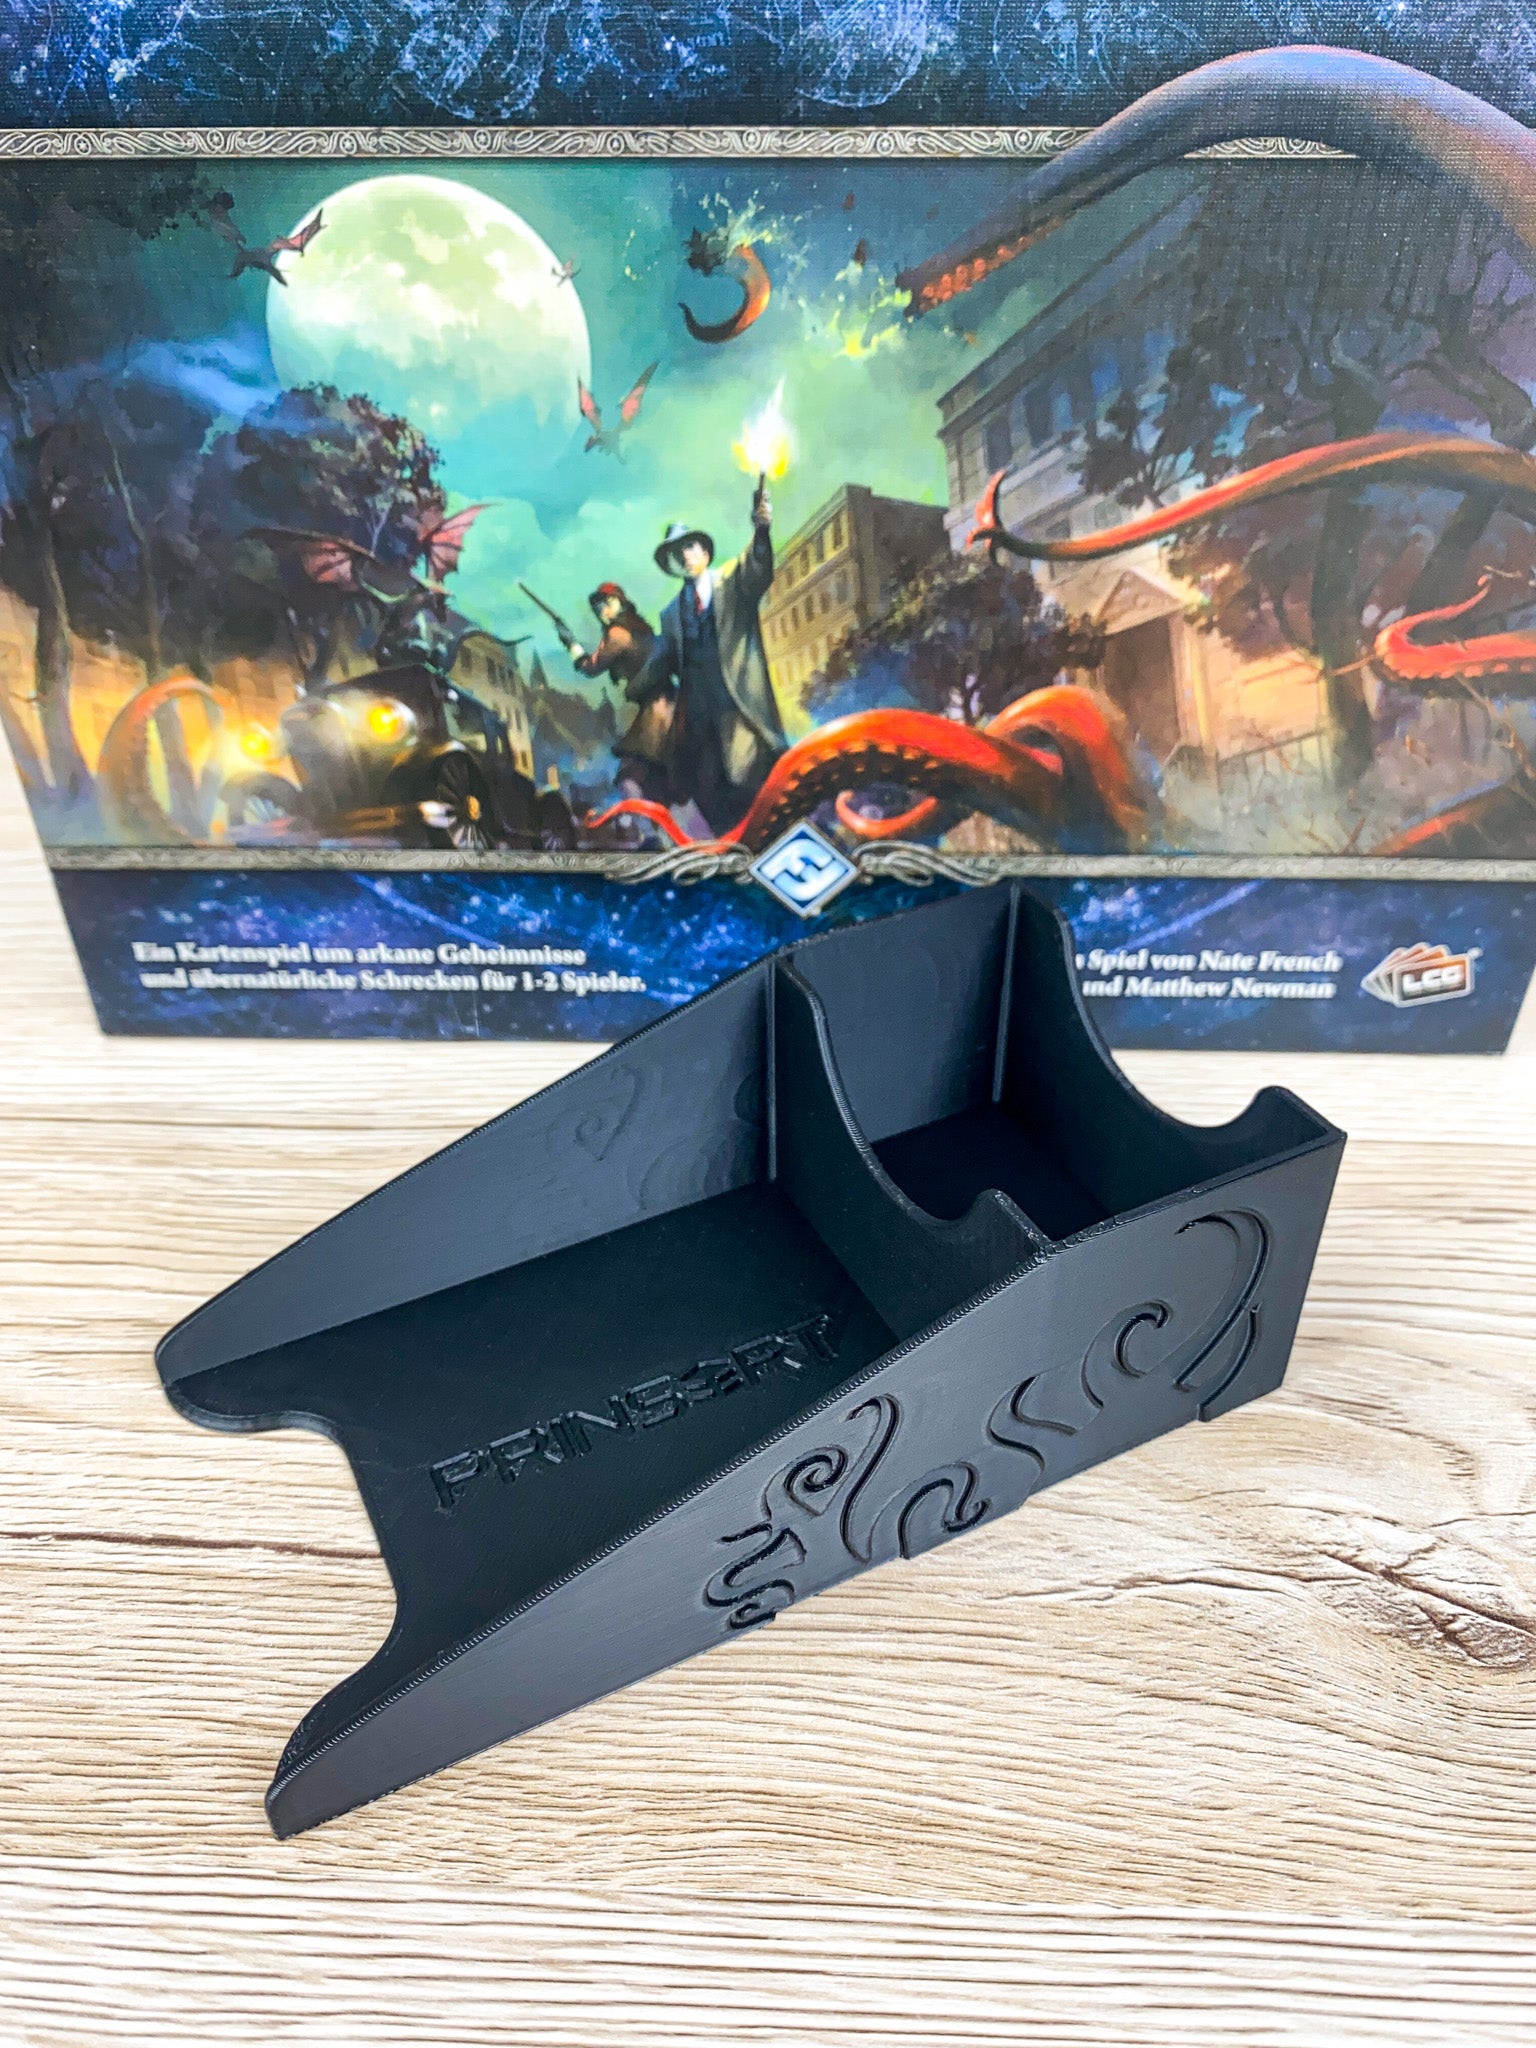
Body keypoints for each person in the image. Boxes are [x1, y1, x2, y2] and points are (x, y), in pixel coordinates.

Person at [636, 476, 785, 835]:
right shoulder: (670, 614)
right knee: (710, 795)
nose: (685, 557)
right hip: (698, 723)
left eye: (689, 548)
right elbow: (662, 661)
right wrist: (634, 684)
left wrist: (761, 530)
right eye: (677, 553)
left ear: (704, 552)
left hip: (739, 707)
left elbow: (758, 567)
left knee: (749, 783)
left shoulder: (732, 581)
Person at [566, 582, 671, 803]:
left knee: (632, 776)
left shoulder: (617, 633)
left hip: (657, 710)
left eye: (608, 603)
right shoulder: (639, 627)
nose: (603, 611)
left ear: (622, 603)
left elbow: (590, 667)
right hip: (664, 703)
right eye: (598, 608)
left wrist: (571, 644)